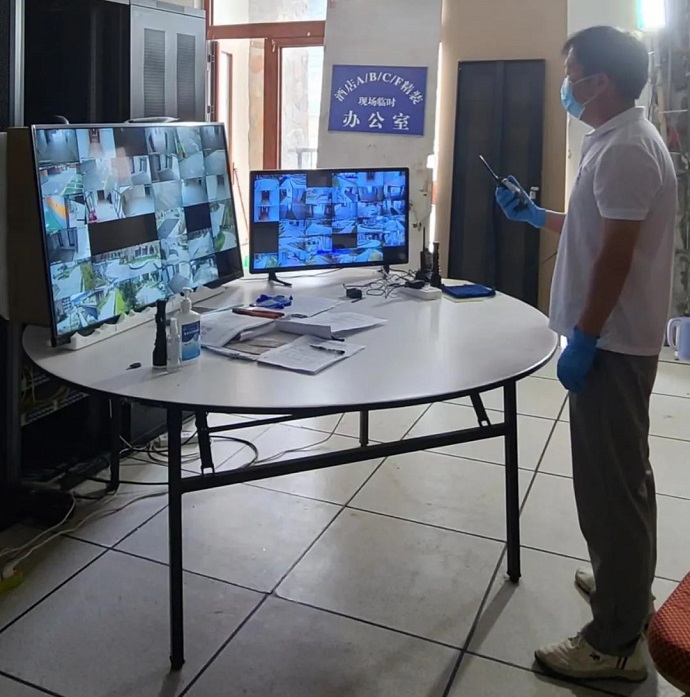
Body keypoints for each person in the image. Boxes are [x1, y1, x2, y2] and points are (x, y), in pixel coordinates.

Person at [496, 26, 677, 682]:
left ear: (600, 81)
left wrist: (587, 337)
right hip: (613, 339)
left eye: (572, 73)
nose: (566, 84)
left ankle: (615, 642)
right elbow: (596, 226)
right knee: (623, 477)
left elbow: (616, 256)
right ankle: (625, 586)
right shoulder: (615, 138)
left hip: (614, 346)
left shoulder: (626, 147)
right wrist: (537, 215)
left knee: (610, 487)